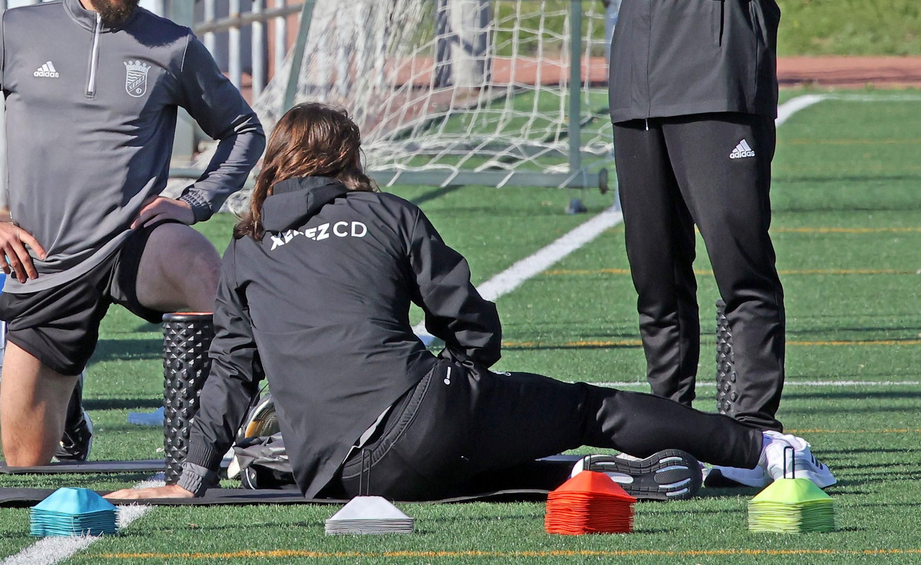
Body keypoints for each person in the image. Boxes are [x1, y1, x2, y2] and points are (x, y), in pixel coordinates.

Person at [109, 104, 832, 504]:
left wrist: (189, 478)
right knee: (588, 409)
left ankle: (588, 478)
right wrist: (468, 374)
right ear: (348, 160)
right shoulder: (387, 213)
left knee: (476, 472)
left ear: (276, 166)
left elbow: (230, 373)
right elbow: (471, 320)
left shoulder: (246, 247)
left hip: (343, 478)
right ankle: (764, 450)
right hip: (425, 416)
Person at [0, 0, 265, 467]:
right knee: (26, 462)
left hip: (136, 240)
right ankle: (70, 414)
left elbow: (244, 130)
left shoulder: (173, 46)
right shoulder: (17, 31)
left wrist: (196, 202)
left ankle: (230, 439)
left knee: (208, 276)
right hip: (45, 260)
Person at [568, 0, 801, 486]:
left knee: (740, 266)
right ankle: (670, 431)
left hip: (714, 80)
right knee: (655, 279)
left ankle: (749, 437)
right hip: (637, 88)